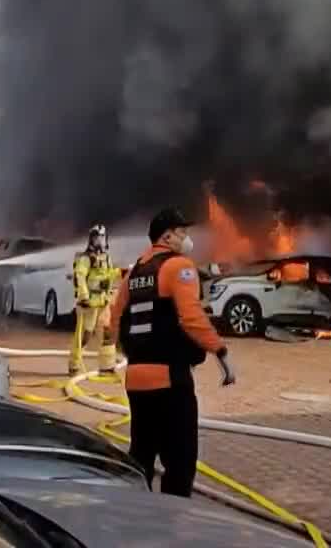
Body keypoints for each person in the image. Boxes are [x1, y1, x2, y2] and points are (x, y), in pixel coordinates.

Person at [110, 206, 234, 497]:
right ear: (167, 236)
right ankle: (172, 527)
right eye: (183, 233)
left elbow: (115, 320)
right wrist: (221, 351)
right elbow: (191, 317)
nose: (187, 238)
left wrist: (128, 353)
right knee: (179, 461)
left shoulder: (135, 271)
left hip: (136, 379)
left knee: (141, 455)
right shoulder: (179, 267)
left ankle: (135, 519)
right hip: (170, 380)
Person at [70, 224, 121, 375]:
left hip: (103, 302)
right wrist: (84, 297)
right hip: (89, 303)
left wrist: (120, 273)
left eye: (102, 237)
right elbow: (80, 276)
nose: (100, 240)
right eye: (96, 236)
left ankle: (107, 366)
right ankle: (74, 365)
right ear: (91, 239)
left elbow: (109, 274)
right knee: (84, 336)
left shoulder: (107, 258)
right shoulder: (85, 258)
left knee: (107, 332)